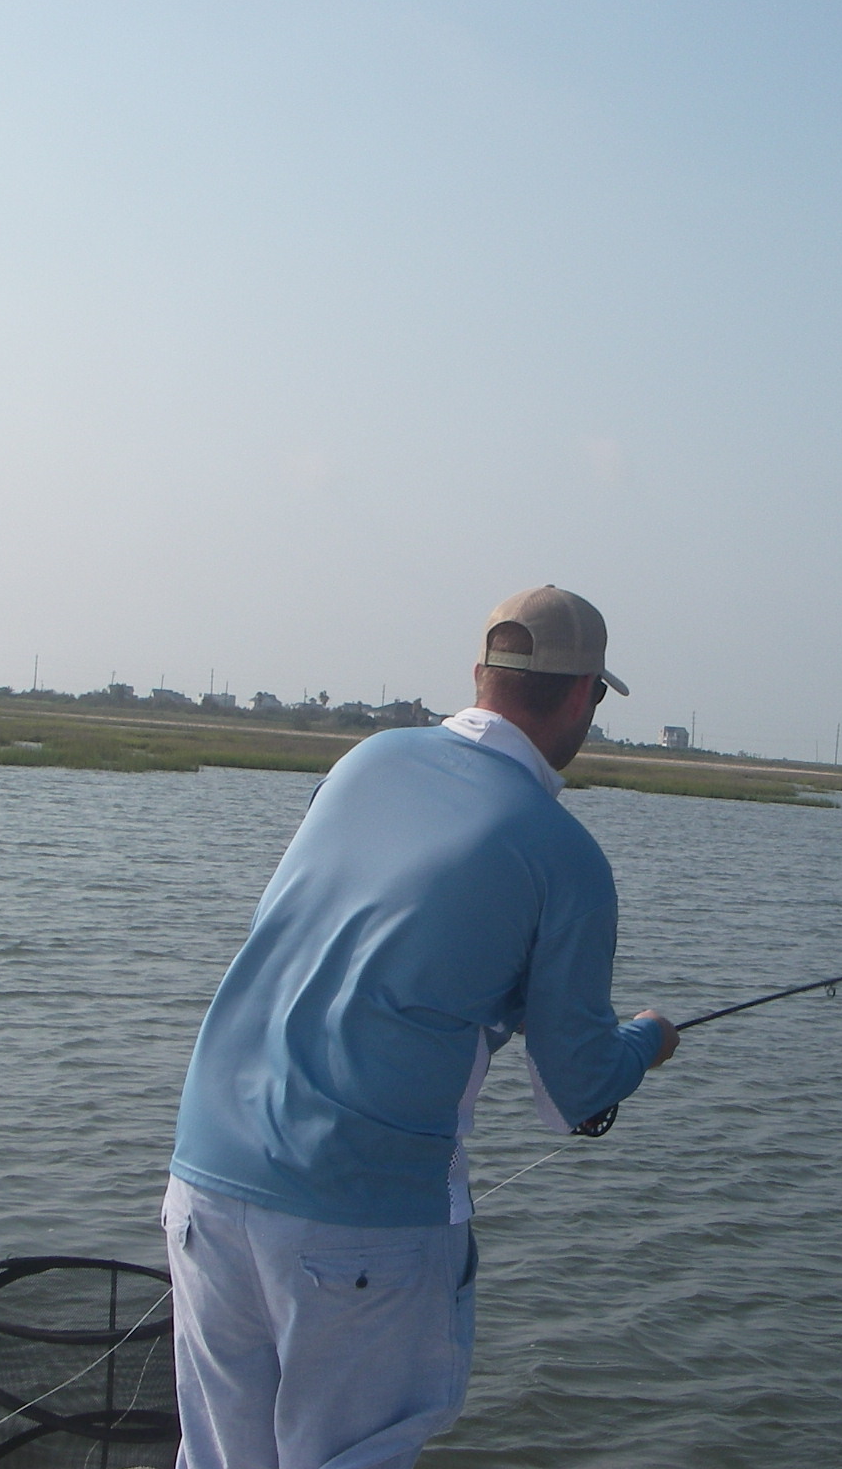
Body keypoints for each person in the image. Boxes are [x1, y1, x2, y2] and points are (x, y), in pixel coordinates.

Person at [162, 585, 678, 1469]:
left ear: (480, 675)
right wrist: (648, 1039)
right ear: (583, 695)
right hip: (357, 1219)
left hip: (203, 1183)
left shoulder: (367, 760)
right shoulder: (566, 856)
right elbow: (575, 1092)